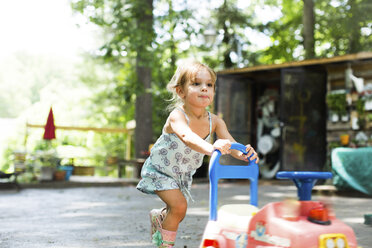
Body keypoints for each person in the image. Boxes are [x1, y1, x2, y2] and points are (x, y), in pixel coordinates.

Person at [136, 59, 259, 247]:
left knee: (178, 213)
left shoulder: (215, 121)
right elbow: (187, 136)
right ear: (180, 91)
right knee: (179, 207)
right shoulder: (177, 115)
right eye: (196, 84)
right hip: (160, 170)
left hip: (182, 175)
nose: (204, 89)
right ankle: (162, 246)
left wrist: (244, 154)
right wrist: (212, 148)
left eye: (209, 85)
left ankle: (160, 217)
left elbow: (232, 145)